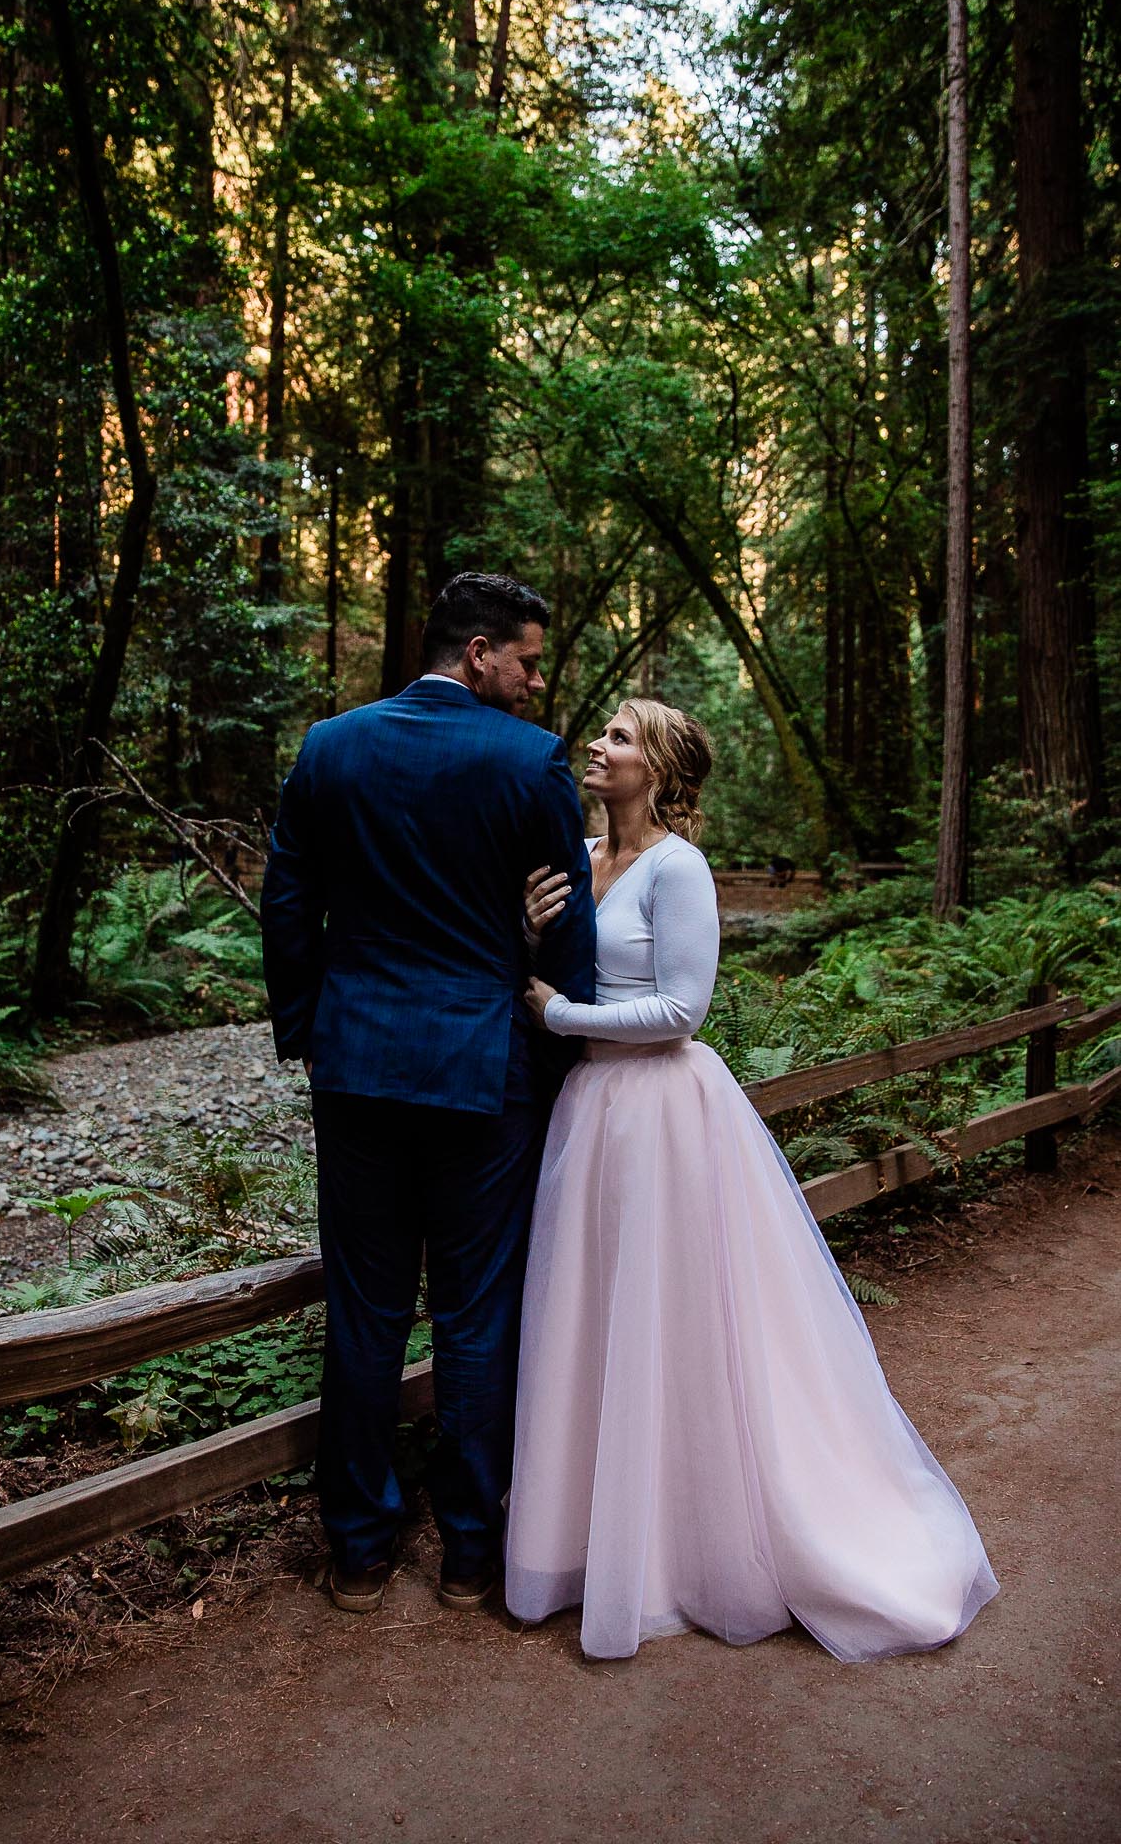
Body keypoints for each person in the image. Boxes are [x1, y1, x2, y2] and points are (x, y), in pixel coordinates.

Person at [505, 699, 999, 1662]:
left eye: (619, 737)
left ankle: (703, 1549)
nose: (597, 747)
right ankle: (595, 1541)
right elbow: (553, 971)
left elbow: (683, 1008)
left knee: (680, 1318)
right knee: (595, 1316)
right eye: (601, 733)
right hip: (591, 1112)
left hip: (661, 1113)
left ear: (661, 768)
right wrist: (531, 940)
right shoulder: (576, 853)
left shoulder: (679, 868)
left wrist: (559, 1014)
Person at [260, 573, 597, 1615]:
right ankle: (466, 1550)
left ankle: (358, 1547)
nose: (538, 682)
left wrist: (309, 1034)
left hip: (357, 1064)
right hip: (479, 1073)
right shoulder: (528, 762)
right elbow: (569, 928)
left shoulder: (330, 746)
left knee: (362, 1314)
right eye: (530, 659)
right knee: (476, 1311)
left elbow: (288, 900)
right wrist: (557, 1056)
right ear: (478, 652)